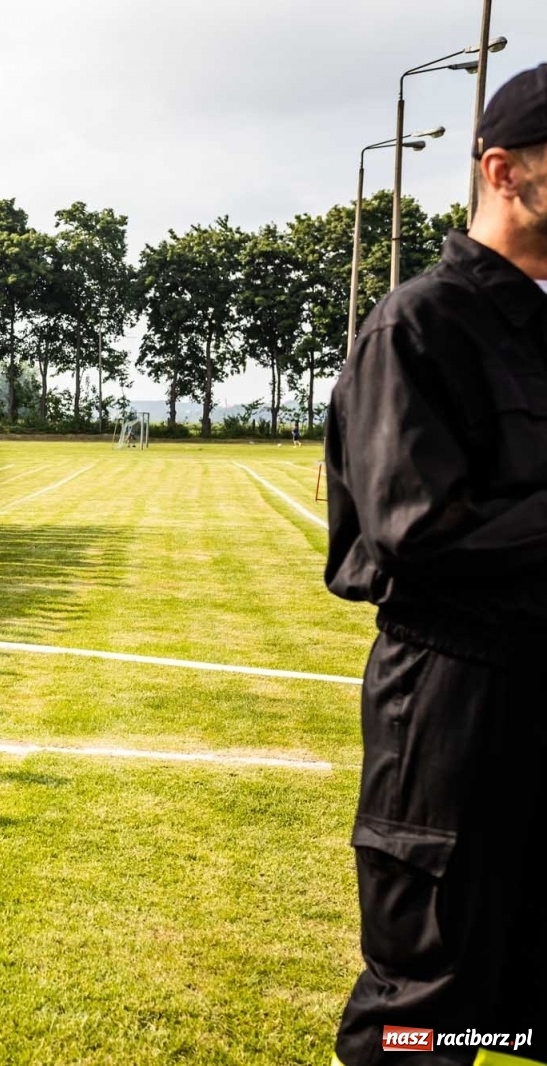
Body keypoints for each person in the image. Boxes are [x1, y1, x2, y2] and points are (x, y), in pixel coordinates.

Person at [323, 64, 547, 1065]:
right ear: (505, 172)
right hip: (456, 697)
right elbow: (417, 530)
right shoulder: (419, 325)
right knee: (429, 1000)